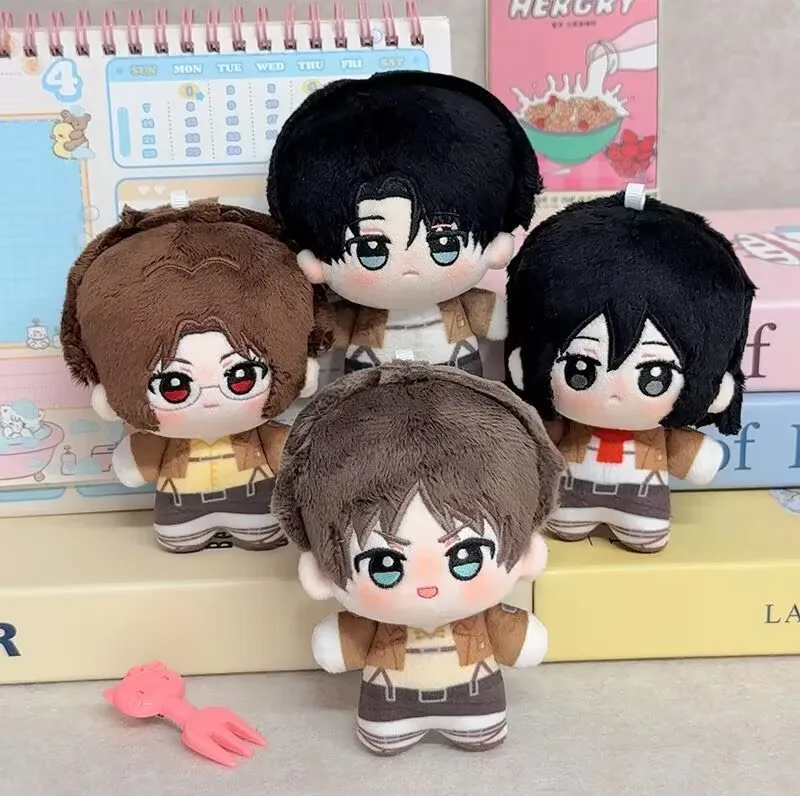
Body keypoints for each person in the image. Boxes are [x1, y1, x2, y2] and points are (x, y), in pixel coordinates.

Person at [272, 361, 563, 754]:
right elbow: (340, 647)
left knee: (477, 725)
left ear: (527, 555)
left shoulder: (485, 619)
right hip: (389, 702)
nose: (428, 586)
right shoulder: (373, 622)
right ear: (320, 574)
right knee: (386, 731)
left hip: (474, 698)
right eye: (385, 565)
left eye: (465, 557)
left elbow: (523, 644)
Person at [61, 200, 332, 553]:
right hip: (180, 508)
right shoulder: (165, 441)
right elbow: (134, 467)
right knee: (183, 532)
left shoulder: (261, 437)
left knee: (260, 525)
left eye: (241, 377)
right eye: (174, 386)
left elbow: (292, 455)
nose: (211, 396)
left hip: (255, 504)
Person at [506, 184, 756, 553]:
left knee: (644, 527)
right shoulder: (564, 426)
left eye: (654, 376)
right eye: (580, 368)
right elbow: (536, 443)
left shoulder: (660, 433)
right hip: (570, 501)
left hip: (641, 503)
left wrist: (696, 453)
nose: (615, 391)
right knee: (567, 519)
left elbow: (696, 462)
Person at [267, 70, 542, 375]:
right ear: (316, 264)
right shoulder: (354, 314)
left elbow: (499, 323)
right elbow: (326, 334)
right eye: (372, 249)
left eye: (444, 243)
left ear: (496, 249)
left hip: (457, 384)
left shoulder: (468, 303)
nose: (410, 266)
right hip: (372, 389)